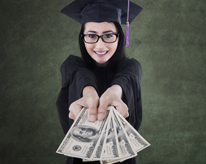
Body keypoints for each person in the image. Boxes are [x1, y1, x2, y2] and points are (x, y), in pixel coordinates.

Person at [56, 0, 143, 163]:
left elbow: (127, 77)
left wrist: (114, 92)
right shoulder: (73, 65)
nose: (100, 45)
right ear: (82, 37)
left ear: (120, 37)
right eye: (91, 35)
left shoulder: (130, 67)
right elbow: (79, 74)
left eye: (108, 35)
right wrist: (88, 91)